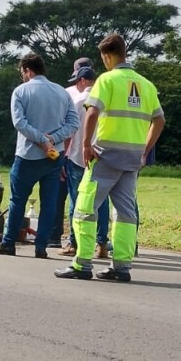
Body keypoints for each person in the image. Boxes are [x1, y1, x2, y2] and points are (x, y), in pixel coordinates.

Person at [56, 33, 165, 282]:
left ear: (107, 56)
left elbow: (92, 113)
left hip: (105, 156)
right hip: (131, 160)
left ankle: (82, 264)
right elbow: (159, 120)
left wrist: (86, 145)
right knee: (126, 213)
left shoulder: (107, 80)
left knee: (84, 208)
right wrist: (145, 150)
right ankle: (121, 267)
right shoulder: (146, 84)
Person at [0, 52, 79, 259]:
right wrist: (52, 139)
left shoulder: (21, 91)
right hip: (54, 155)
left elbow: (19, 123)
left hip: (27, 155)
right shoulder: (62, 92)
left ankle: (9, 242)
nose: (23, 76)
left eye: (22, 73)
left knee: (18, 200)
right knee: (49, 201)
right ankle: (41, 246)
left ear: (27, 71)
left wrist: (40, 139)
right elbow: (73, 124)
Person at [61, 59, 111, 259]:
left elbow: (69, 132)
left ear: (82, 81)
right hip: (102, 156)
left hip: (77, 157)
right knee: (102, 201)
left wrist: (64, 156)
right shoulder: (107, 100)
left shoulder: (78, 101)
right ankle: (101, 244)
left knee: (76, 201)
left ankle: (74, 243)